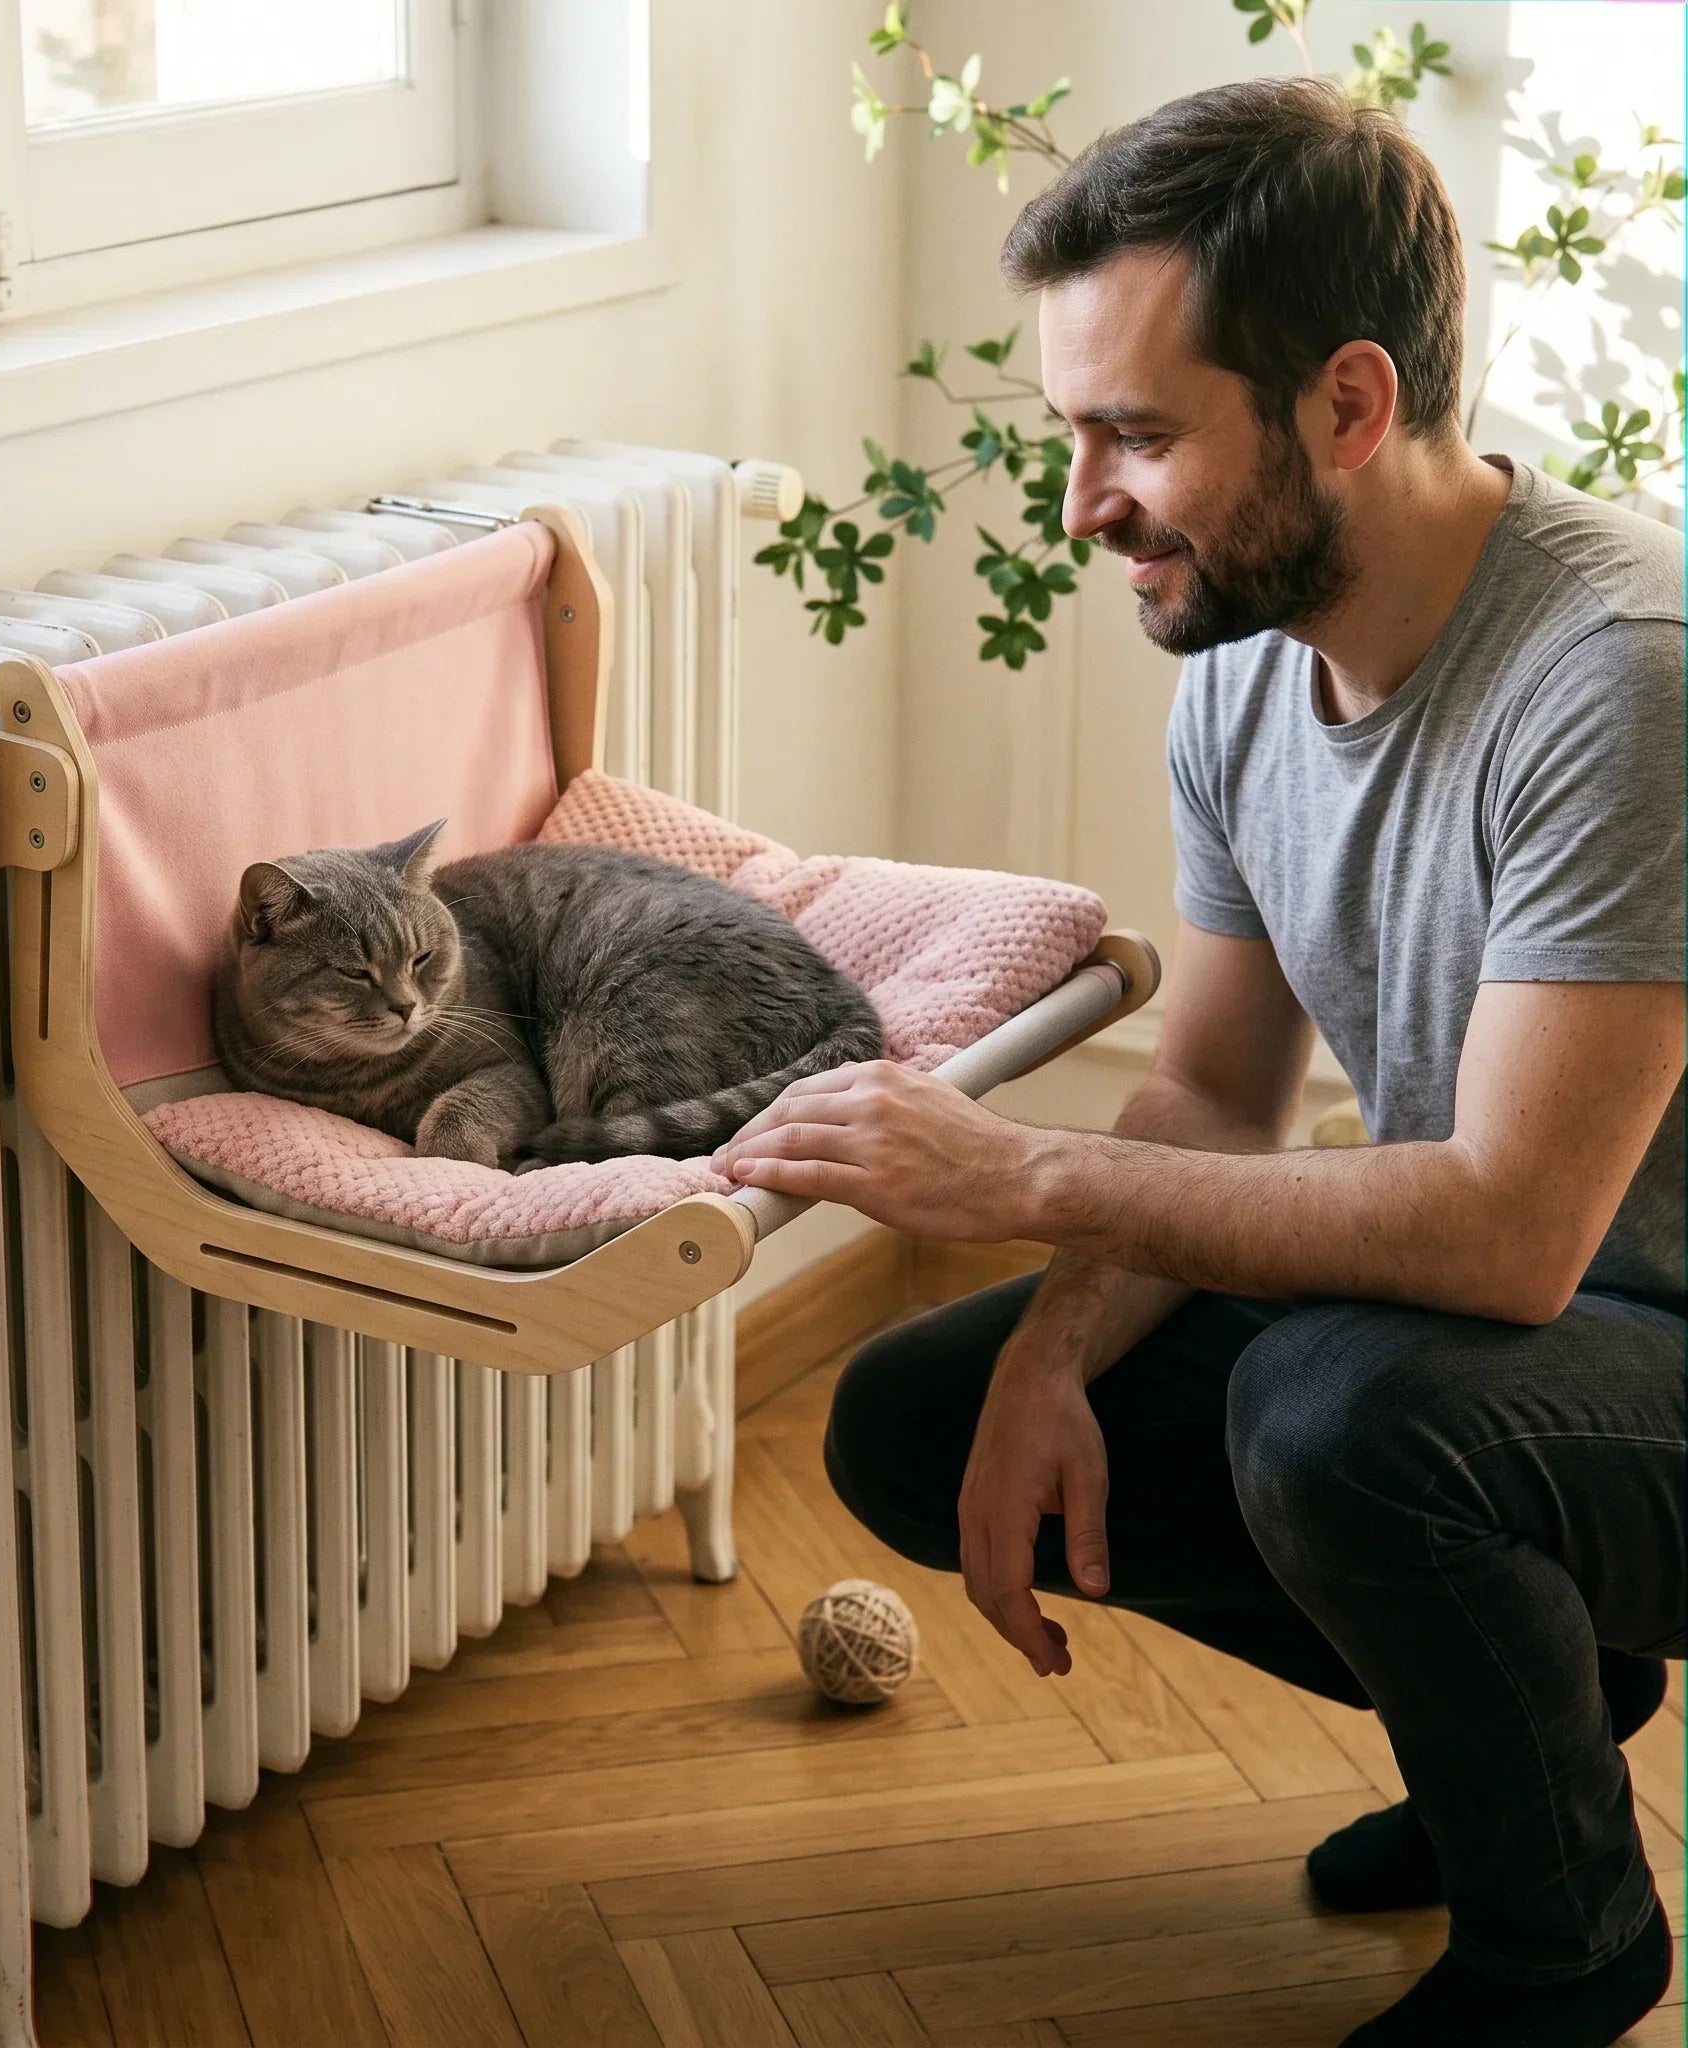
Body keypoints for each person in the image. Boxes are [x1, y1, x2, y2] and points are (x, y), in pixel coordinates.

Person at [715, 76, 1684, 2048]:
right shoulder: (1242, 655)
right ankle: (1540, 1704)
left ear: (1345, 405)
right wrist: (1051, 1356)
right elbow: (1217, 1096)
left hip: (1628, 1335)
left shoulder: (1620, 680)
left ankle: (1563, 1940)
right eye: (1076, 432)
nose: (1083, 507)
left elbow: (1507, 1237)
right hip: (1530, 1348)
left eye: (1136, 437)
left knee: (1350, 1415)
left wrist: (1021, 1183)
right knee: (923, 1413)